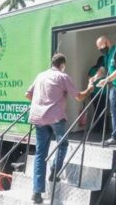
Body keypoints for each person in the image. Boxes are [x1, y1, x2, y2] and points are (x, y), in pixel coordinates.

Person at [26, 53, 94, 204]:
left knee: (40, 154)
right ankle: (54, 171)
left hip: (38, 118)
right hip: (56, 118)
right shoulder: (63, 77)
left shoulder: (40, 75)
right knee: (62, 144)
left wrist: (41, 103)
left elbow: (28, 94)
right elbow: (78, 97)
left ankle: (36, 193)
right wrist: (89, 88)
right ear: (62, 64)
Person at [95, 35, 116, 146]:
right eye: (98, 48)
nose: (100, 50)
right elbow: (103, 69)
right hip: (114, 87)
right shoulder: (107, 56)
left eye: (101, 46)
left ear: (107, 42)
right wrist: (96, 77)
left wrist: (106, 80)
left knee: (115, 112)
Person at [88, 55, 107, 133]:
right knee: (102, 110)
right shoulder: (105, 70)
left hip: (93, 93)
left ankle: (96, 127)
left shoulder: (92, 69)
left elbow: (89, 79)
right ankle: (102, 128)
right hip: (103, 92)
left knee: (96, 110)